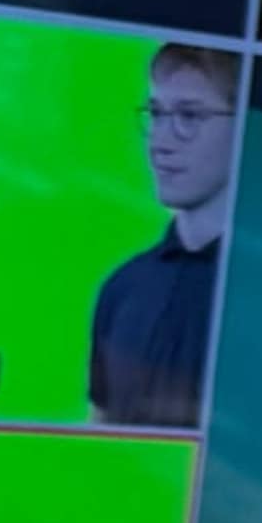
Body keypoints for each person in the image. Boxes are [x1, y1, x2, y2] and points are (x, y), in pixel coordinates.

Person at [88, 44, 238, 426]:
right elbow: (98, 429)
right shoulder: (123, 286)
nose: (160, 143)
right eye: (156, 114)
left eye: (190, 116)